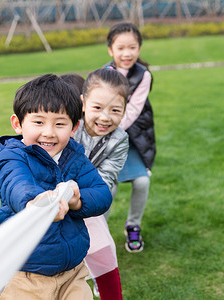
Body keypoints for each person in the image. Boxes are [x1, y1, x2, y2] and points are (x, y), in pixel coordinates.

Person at [0, 74, 112, 300]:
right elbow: (15, 183)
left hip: (72, 272)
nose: (48, 132)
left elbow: (102, 193)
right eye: (38, 122)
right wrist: (34, 202)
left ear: (74, 127)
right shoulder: (11, 157)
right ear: (18, 124)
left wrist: (78, 201)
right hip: (24, 274)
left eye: (59, 123)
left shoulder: (74, 157)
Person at [64, 69, 129, 300]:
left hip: (92, 200)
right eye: (97, 108)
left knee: (103, 251)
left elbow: (106, 178)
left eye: (115, 110)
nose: (105, 117)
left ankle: (108, 292)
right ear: (83, 103)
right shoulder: (70, 126)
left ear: (124, 111)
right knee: (65, 255)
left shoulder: (119, 139)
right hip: (60, 199)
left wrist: (80, 195)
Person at [104, 22, 156, 253]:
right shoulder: (103, 75)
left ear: (139, 48)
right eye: (121, 48)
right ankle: (97, 231)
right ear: (110, 50)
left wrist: (114, 130)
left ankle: (133, 226)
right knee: (108, 187)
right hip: (105, 139)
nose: (127, 53)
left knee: (142, 181)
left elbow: (133, 110)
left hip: (133, 138)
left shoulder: (143, 75)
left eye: (132, 47)